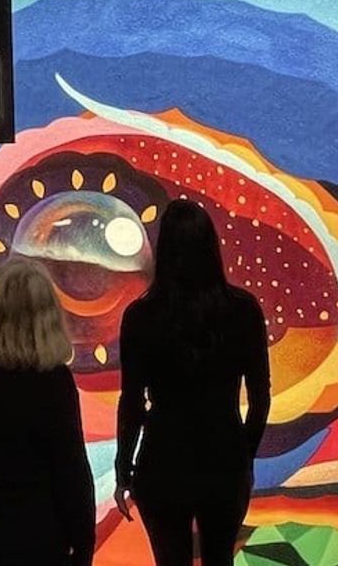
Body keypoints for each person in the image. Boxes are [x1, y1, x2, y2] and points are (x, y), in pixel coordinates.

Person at [113, 198, 272, 566]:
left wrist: (124, 470)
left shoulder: (141, 316)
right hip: (224, 459)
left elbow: (132, 402)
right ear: (211, 247)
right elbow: (260, 397)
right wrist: (244, 455)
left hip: (162, 459)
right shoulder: (243, 310)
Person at [0, 256, 96, 566]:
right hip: (39, 540)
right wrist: (83, 546)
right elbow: (71, 473)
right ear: (48, 317)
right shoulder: (52, 381)